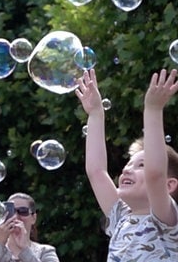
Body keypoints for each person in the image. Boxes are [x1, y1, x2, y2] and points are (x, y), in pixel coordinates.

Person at [75, 68, 178, 261]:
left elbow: (155, 174)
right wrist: (95, 113)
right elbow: (96, 171)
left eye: (140, 165)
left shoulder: (166, 221)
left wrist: (153, 110)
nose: (127, 169)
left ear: (169, 185)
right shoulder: (120, 217)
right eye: (128, 164)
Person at [0, 192, 60, 262]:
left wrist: (25, 249)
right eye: (11, 212)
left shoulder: (46, 251)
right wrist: (0, 243)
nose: (16, 217)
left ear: (33, 218)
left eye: (23, 211)